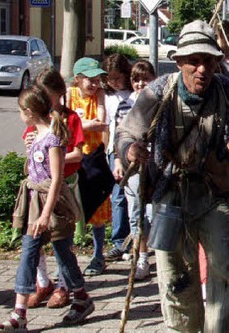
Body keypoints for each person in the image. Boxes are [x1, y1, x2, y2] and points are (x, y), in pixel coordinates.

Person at [114, 20, 229, 332]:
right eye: (194, 61)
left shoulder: (228, 92)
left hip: (216, 195)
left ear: (216, 61)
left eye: (208, 60)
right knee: (174, 275)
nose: (202, 68)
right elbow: (126, 132)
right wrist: (130, 149)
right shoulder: (157, 92)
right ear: (179, 62)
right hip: (169, 197)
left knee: (223, 272)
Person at [0, 87, 93, 331]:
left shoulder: (53, 139)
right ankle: (19, 315)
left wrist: (46, 214)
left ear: (28, 112)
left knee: (63, 255)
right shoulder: (34, 137)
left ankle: (81, 297)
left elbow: (57, 179)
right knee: (28, 254)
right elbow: (31, 171)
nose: (19, 115)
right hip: (33, 203)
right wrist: (29, 150)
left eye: (20, 111)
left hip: (52, 204)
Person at [23, 68, 85, 309]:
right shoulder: (36, 120)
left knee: (61, 240)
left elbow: (78, 154)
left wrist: (53, 156)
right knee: (34, 238)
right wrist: (31, 148)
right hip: (38, 188)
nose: (42, 101)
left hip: (62, 186)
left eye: (46, 95)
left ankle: (64, 286)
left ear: (59, 93)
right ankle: (42, 282)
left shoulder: (70, 118)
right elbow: (31, 155)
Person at [65, 57, 111, 276]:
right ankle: (68, 259)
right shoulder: (69, 95)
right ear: (77, 79)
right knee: (72, 208)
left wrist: (80, 124)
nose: (94, 84)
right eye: (90, 80)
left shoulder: (99, 95)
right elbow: (63, 121)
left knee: (97, 208)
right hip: (73, 157)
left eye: (98, 80)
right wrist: (84, 124)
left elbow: (100, 120)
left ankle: (98, 255)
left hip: (94, 155)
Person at [125, 59, 157, 280]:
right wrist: (120, 160)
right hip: (135, 168)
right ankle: (141, 258)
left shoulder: (159, 102)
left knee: (156, 214)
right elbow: (119, 133)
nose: (141, 84)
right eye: (136, 80)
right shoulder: (126, 104)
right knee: (136, 214)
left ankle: (160, 252)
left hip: (156, 165)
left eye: (145, 79)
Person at [104, 53, 134, 263]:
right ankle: (119, 241)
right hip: (112, 151)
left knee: (134, 198)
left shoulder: (133, 96)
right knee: (118, 196)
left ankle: (136, 239)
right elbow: (107, 125)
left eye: (117, 78)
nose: (113, 82)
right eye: (109, 79)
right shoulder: (107, 97)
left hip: (131, 150)